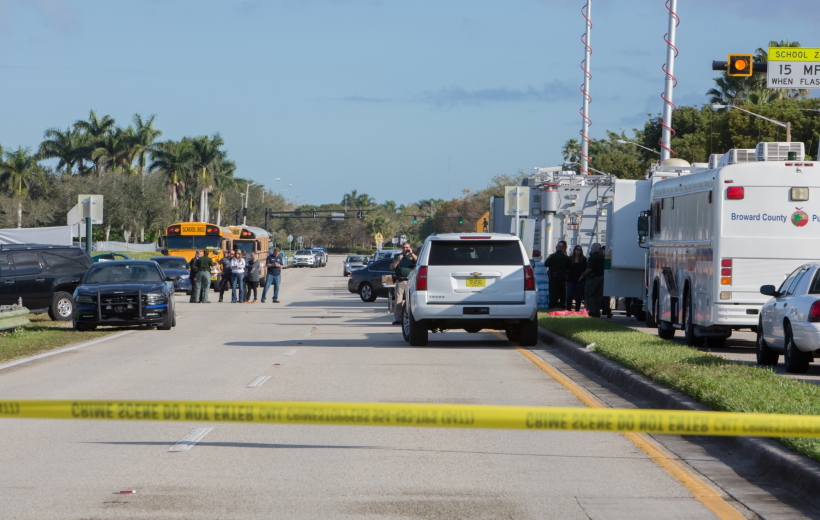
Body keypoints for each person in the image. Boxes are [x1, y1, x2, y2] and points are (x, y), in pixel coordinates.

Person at [389, 241, 416, 325]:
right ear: (402, 248)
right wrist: (398, 259)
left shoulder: (412, 256)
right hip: (400, 281)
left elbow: (418, 262)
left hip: (411, 281)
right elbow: (391, 267)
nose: (405, 249)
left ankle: (412, 318)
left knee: (412, 300)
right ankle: (398, 319)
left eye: (407, 247)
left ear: (410, 247)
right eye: (404, 247)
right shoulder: (397, 256)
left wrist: (412, 254)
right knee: (398, 300)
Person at [581, 242, 605, 318]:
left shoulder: (592, 257)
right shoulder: (603, 257)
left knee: (589, 294)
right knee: (598, 295)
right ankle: (597, 311)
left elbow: (589, 269)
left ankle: (592, 311)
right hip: (601, 277)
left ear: (592, 249)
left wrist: (583, 274)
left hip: (593, 278)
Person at [544, 240, 570, 309]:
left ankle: (552, 305)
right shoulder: (566, 257)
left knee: (553, 292)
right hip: (562, 277)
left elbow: (546, 264)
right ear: (563, 248)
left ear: (556, 247)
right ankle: (561, 305)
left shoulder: (552, 256)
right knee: (562, 292)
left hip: (553, 277)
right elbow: (569, 267)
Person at [566, 245, 587, 311]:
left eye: (580, 250)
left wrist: (582, 277)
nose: (578, 251)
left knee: (579, 295)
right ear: (574, 250)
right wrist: (566, 279)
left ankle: (577, 309)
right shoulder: (570, 259)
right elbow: (567, 269)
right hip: (571, 279)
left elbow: (585, 269)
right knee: (569, 295)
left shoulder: (584, 259)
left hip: (580, 280)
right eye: (577, 249)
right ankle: (568, 309)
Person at [600, 246, 613, 318]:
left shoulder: (601, 257)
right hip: (606, 278)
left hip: (603, 277)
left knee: (604, 296)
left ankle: (605, 310)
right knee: (606, 297)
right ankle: (607, 310)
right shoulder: (609, 258)